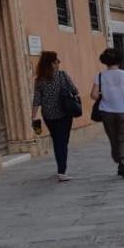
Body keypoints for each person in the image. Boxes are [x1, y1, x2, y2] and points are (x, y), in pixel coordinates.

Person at [30, 51, 78, 182]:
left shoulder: (39, 80)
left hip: (49, 116)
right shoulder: (62, 76)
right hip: (64, 113)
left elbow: (36, 100)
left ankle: (60, 169)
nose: (58, 63)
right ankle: (62, 171)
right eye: (57, 61)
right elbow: (75, 90)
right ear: (52, 63)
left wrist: (33, 117)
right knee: (63, 142)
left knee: (57, 141)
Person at [91, 48, 124, 178]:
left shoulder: (99, 76)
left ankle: (118, 162)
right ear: (119, 60)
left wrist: (105, 96)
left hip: (107, 112)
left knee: (114, 139)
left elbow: (93, 95)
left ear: (105, 61)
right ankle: (123, 162)